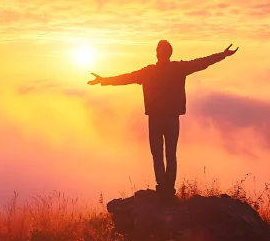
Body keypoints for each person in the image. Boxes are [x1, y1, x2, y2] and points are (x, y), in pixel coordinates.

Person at [88, 40, 238, 199]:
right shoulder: (178, 69)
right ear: (170, 53)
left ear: (157, 54)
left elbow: (126, 78)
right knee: (171, 154)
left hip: (155, 119)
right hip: (172, 118)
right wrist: (222, 55)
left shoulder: (149, 72)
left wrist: (103, 80)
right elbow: (202, 63)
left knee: (157, 155)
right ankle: (169, 191)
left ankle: (163, 189)